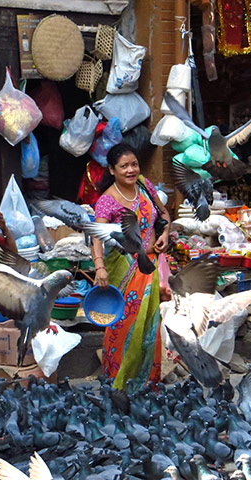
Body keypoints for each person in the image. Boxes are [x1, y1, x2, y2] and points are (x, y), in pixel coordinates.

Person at [91, 143, 171, 392]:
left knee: (149, 327)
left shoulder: (145, 186)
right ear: (112, 170)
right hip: (123, 270)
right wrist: (99, 267)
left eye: (134, 164)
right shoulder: (107, 201)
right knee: (123, 325)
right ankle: (119, 384)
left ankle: (148, 383)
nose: (131, 170)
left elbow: (163, 213)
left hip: (149, 265)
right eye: (124, 166)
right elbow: (96, 237)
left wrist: (165, 233)